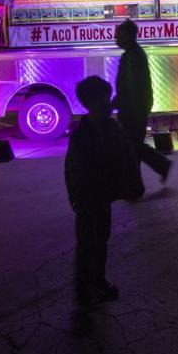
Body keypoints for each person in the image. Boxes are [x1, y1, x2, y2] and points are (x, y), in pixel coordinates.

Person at [65, 76, 142, 308]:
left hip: (103, 197)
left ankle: (96, 282)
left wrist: (132, 186)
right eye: (103, 99)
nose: (108, 104)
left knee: (101, 240)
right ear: (90, 103)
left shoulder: (111, 127)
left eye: (107, 99)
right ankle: (84, 288)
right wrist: (79, 199)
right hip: (88, 199)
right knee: (88, 243)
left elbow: (126, 157)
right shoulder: (81, 134)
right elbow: (74, 171)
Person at [113, 19, 172, 183]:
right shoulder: (133, 53)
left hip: (133, 109)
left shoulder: (133, 55)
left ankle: (138, 183)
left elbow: (129, 85)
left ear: (128, 36)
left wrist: (118, 102)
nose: (116, 38)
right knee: (133, 145)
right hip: (136, 107)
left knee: (131, 146)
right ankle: (159, 166)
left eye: (119, 35)